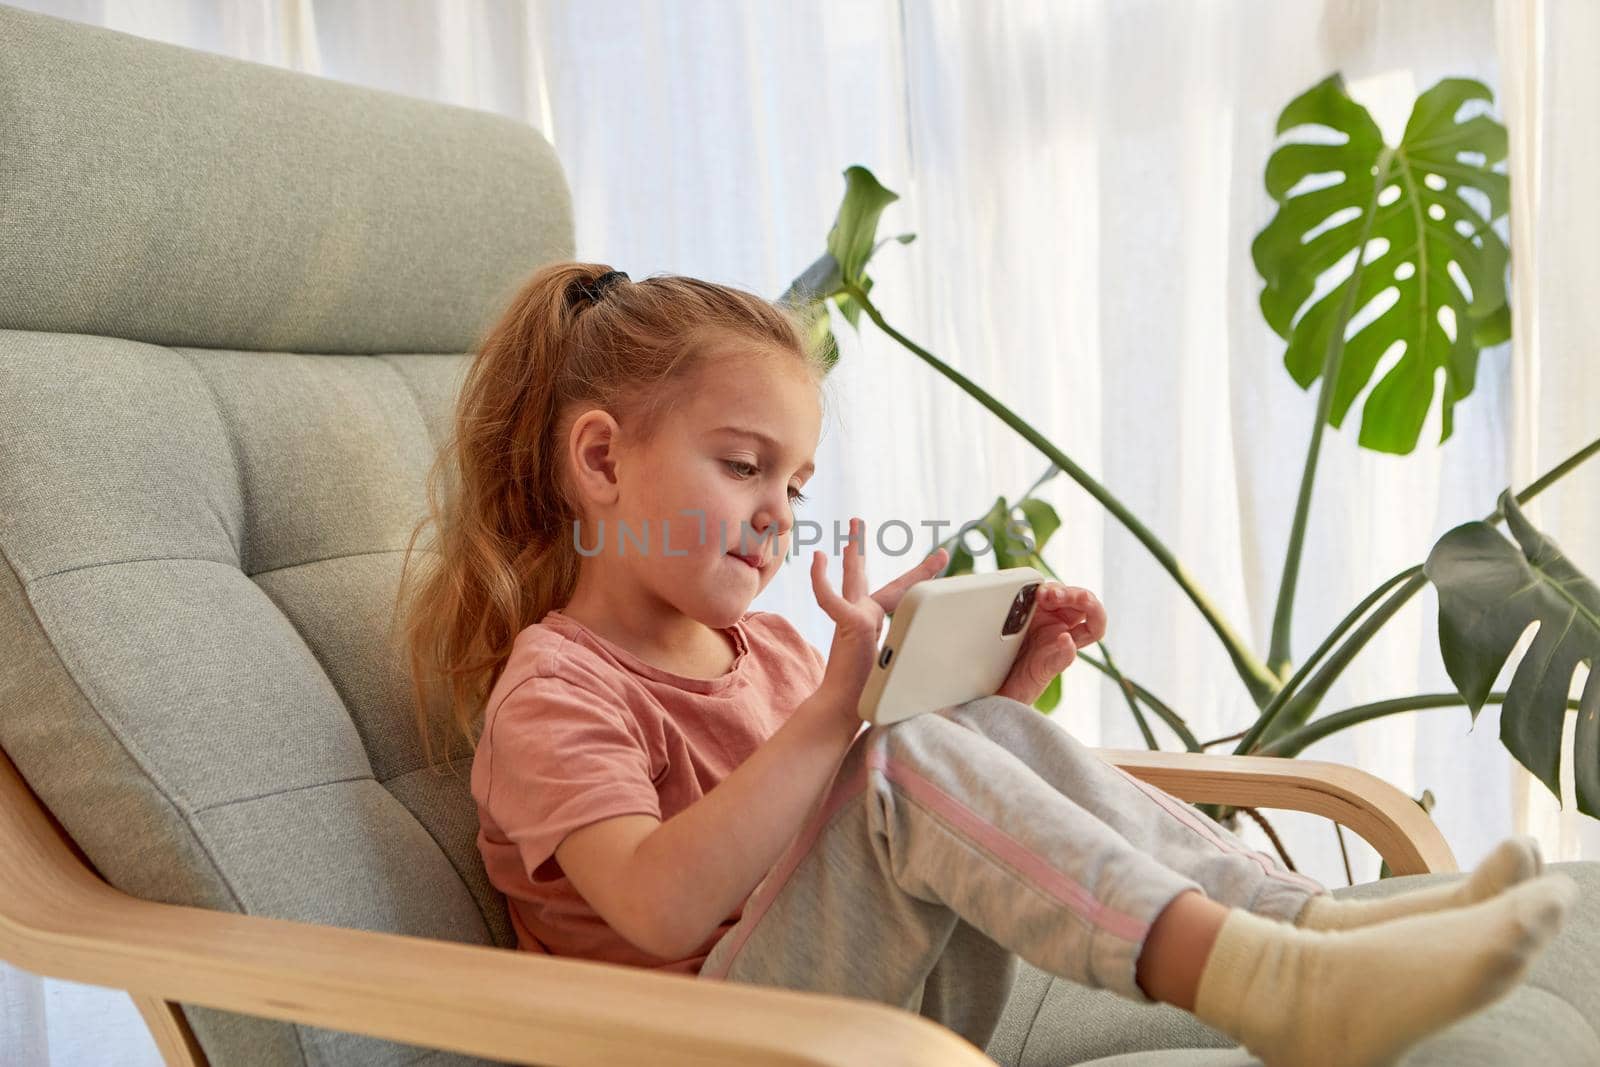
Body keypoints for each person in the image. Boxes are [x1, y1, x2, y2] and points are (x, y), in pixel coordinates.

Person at [395, 261, 1578, 1067]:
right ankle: (1274, 981)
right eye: (744, 465)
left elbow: (855, 834)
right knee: (897, 751)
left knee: (945, 729)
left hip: (856, 1009)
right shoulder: (558, 686)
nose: (778, 512)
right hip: (707, 1043)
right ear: (601, 460)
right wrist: (836, 718)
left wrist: (986, 710)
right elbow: (656, 905)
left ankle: (1309, 927)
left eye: (796, 485)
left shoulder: (758, 645)